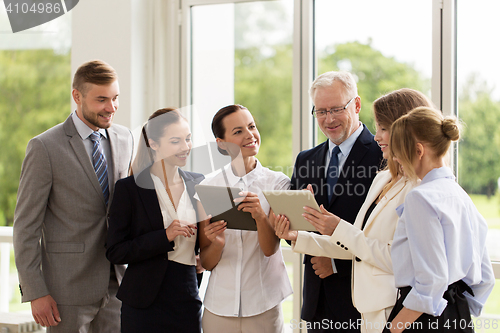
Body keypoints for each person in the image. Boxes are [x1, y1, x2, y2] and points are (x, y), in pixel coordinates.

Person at [275, 88, 433, 333]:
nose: (378, 136)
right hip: (361, 308)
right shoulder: (384, 179)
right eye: (321, 111)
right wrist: (298, 236)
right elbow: (356, 238)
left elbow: (403, 260)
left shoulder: (422, 189)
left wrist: (336, 231)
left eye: (383, 128)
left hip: (389, 308)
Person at [13, 60, 133, 332]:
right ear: (77, 96)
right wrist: (35, 291)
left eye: (115, 98)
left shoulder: (125, 138)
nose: (111, 108)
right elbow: (26, 226)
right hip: (65, 290)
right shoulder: (44, 147)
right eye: (101, 99)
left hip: (117, 283)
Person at [383, 107, 495, 333]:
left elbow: (431, 282)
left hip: (422, 319)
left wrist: (394, 328)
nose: (395, 158)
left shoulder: (420, 197)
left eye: (398, 152)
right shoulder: (461, 195)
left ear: (418, 150)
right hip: (458, 316)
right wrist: (456, 314)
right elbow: (485, 277)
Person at [289, 71, 382, 332]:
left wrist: (336, 263)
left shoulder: (383, 156)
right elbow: (297, 229)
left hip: (361, 301)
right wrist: (287, 229)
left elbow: (383, 235)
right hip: (317, 301)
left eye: (337, 109)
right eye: (320, 111)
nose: (328, 119)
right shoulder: (305, 160)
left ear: (357, 105)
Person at [106, 108, 204, 332]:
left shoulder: (199, 183)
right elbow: (115, 251)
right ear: (153, 143)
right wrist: (165, 236)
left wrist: (201, 256)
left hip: (186, 297)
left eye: (188, 139)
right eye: (175, 141)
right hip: (143, 304)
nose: (185, 147)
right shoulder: (129, 188)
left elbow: (206, 239)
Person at [198, 104, 292, 333]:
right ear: (221, 143)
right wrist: (217, 243)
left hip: (263, 304)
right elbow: (207, 262)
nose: (250, 135)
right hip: (218, 306)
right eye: (238, 131)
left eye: (251, 126)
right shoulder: (208, 187)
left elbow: (270, 249)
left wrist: (261, 217)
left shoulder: (277, 183)